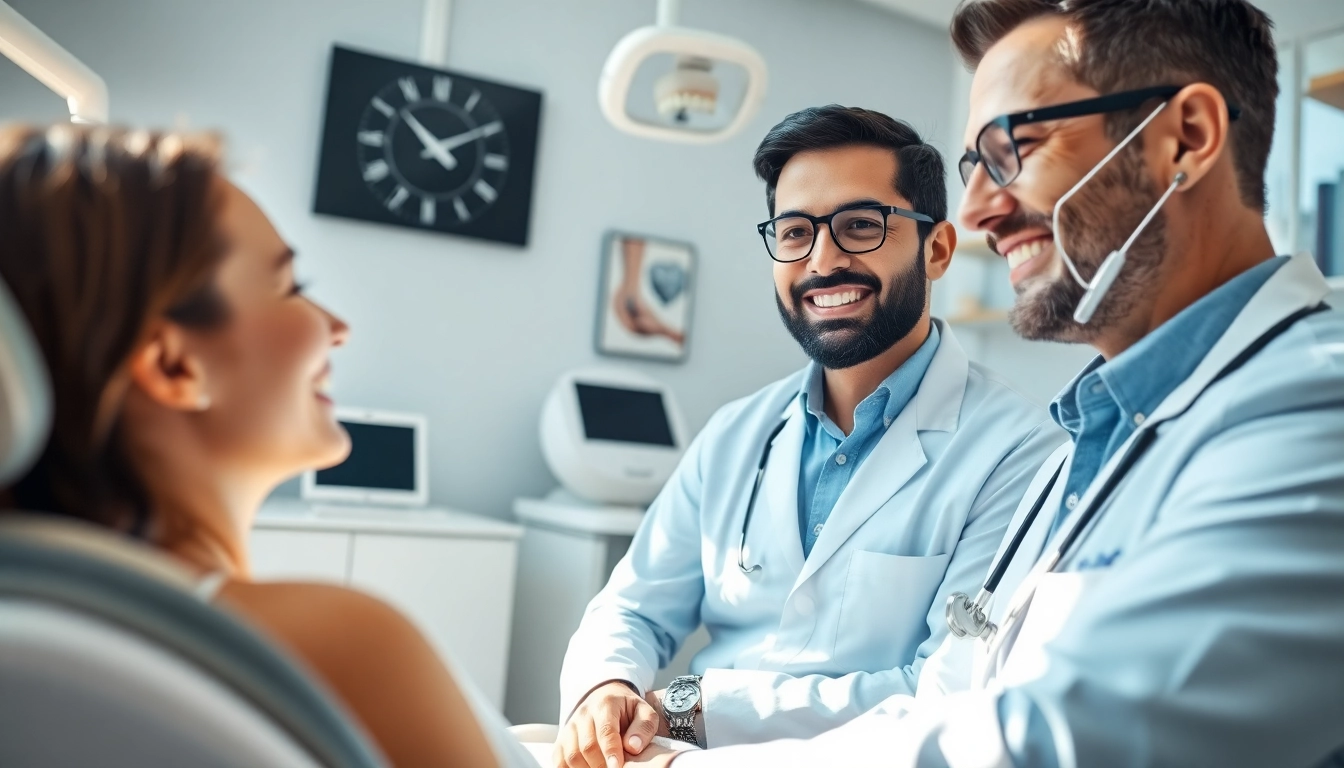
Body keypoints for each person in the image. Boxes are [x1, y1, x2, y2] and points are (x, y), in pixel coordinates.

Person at [625, 0, 1344, 765]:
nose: (975, 211)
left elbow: (1069, 738)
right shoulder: (1089, 443)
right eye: (975, 166)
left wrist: (685, 750)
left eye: (1015, 149)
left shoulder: (1314, 404)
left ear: (1186, 138)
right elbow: (953, 695)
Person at [554, 107, 1065, 768]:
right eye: (795, 232)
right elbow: (632, 606)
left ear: (936, 249)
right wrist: (606, 689)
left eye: (859, 225)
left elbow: (945, 690)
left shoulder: (1021, 453)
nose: (823, 261)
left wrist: (686, 707)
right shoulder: (737, 433)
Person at [0, 124, 512, 768]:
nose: (339, 328)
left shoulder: (40, 614)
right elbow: (635, 621)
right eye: (291, 287)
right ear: (175, 365)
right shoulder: (347, 645)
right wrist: (671, 722)